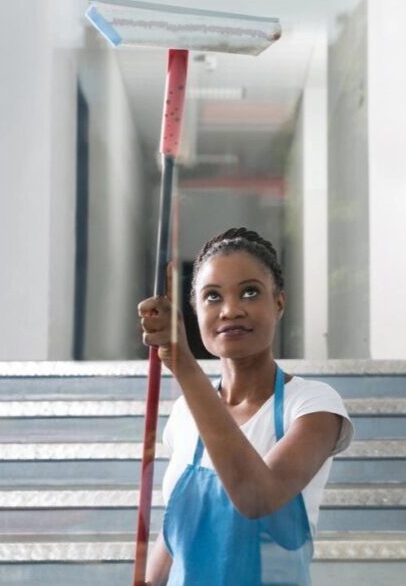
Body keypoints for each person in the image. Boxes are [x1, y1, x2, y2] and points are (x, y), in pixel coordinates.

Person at [138, 227, 354, 586]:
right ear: (194, 310)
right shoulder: (184, 414)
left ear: (279, 303)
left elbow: (257, 498)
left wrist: (182, 362)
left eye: (250, 292)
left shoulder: (312, 406)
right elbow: (176, 536)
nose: (231, 310)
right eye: (212, 297)